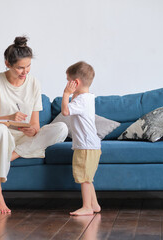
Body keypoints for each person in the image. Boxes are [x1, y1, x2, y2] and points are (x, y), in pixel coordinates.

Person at [0, 36, 68, 213]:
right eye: (20, 67)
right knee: (1, 128)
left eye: (28, 66)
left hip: (23, 139)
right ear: (7, 63)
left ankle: (9, 156)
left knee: (62, 128)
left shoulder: (34, 83)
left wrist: (33, 129)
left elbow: (35, 124)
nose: (24, 72)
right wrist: (9, 118)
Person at [61, 61, 102, 216]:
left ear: (75, 82)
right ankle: (94, 204)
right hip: (91, 145)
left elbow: (65, 111)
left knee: (84, 177)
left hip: (85, 146)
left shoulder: (80, 100)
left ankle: (87, 207)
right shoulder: (88, 97)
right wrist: (74, 93)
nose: (67, 84)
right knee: (88, 177)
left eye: (68, 80)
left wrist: (66, 93)